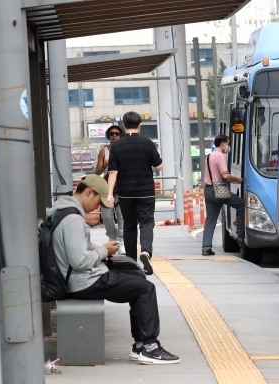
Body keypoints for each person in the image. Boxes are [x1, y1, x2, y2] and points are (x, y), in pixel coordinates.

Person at [48, 174, 180, 364]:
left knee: (136, 278)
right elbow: (79, 261)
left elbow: (76, 248)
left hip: (76, 278)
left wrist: (101, 250)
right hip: (84, 282)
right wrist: (102, 251)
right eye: (98, 201)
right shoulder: (73, 220)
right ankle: (150, 347)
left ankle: (141, 346)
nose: (98, 208)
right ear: (89, 192)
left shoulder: (62, 212)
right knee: (145, 289)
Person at [107, 112, 163, 275]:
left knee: (129, 226)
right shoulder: (147, 143)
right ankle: (146, 252)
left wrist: (110, 194)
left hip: (125, 193)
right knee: (146, 223)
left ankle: (132, 262)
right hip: (146, 192)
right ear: (140, 125)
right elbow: (159, 166)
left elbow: (112, 172)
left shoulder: (117, 146)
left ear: (124, 126)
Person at [202, 134, 244, 256]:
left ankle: (206, 248)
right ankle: (241, 233)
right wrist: (236, 179)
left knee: (210, 220)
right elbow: (225, 175)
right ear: (222, 144)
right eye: (228, 144)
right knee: (241, 204)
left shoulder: (208, 156)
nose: (228, 147)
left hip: (208, 190)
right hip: (219, 190)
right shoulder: (220, 156)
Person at [96, 125, 125, 255]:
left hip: (122, 187)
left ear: (120, 135)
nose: (114, 136)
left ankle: (121, 241)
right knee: (107, 216)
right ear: (108, 136)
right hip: (107, 188)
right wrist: (104, 165)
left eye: (117, 134)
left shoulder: (125, 150)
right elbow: (97, 172)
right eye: (112, 133)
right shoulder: (104, 152)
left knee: (122, 216)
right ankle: (112, 239)